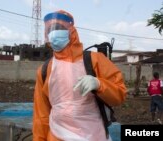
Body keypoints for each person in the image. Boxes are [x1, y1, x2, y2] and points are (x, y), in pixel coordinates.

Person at [32, 10, 127, 141]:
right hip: (56, 135)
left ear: (71, 31)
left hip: (94, 135)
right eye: (49, 30)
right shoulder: (44, 70)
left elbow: (119, 96)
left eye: (59, 28)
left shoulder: (94, 60)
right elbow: (41, 114)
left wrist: (99, 84)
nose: (53, 34)